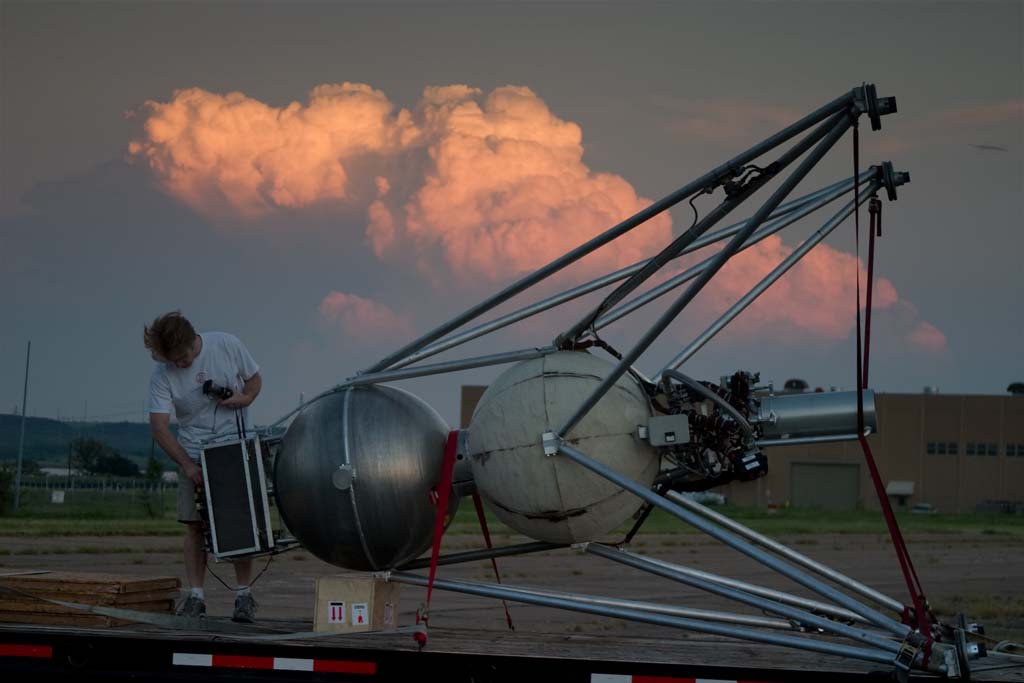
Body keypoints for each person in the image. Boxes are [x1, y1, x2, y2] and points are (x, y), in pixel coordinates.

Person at [144, 311, 263, 622]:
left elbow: (254, 380)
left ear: (191, 341)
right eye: (173, 361)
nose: (180, 365)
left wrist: (244, 399)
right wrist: (187, 465)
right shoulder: (162, 374)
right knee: (194, 525)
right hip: (193, 450)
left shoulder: (226, 344)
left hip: (233, 446)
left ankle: (244, 595)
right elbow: (159, 427)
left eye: (182, 358)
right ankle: (196, 596)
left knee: (238, 524)